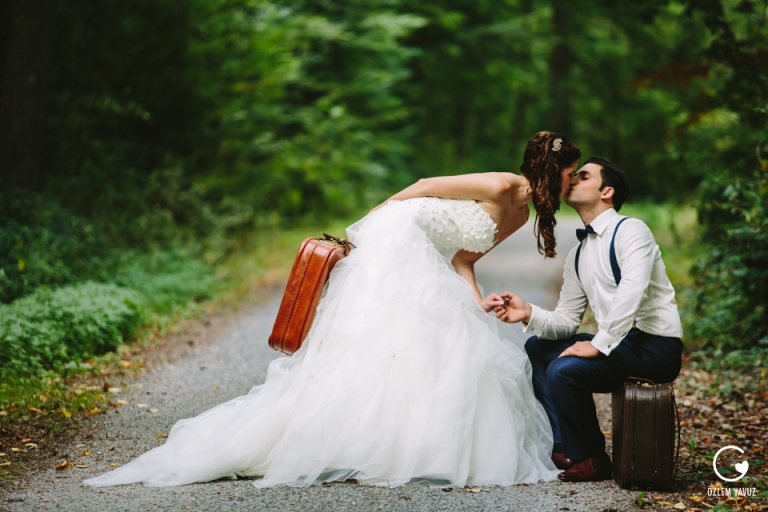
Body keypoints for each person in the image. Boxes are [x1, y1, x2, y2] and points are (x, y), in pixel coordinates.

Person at [84, 131, 580, 489]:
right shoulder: (501, 186)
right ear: (550, 171)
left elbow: (462, 261)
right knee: (400, 332)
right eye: (569, 174)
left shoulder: (523, 213)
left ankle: (394, 440)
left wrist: (476, 304)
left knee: (445, 335)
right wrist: (365, 229)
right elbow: (423, 184)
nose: (571, 183)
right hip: (396, 234)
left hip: (420, 250)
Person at [494, 156, 684, 483]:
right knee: (539, 349)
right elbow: (567, 320)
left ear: (606, 191)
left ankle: (592, 457)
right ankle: (564, 445)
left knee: (564, 368)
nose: (572, 180)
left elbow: (632, 291)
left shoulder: (631, 230)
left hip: (656, 347)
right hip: (623, 344)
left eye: (583, 176)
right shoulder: (578, 254)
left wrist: (598, 344)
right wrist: (529, 312)